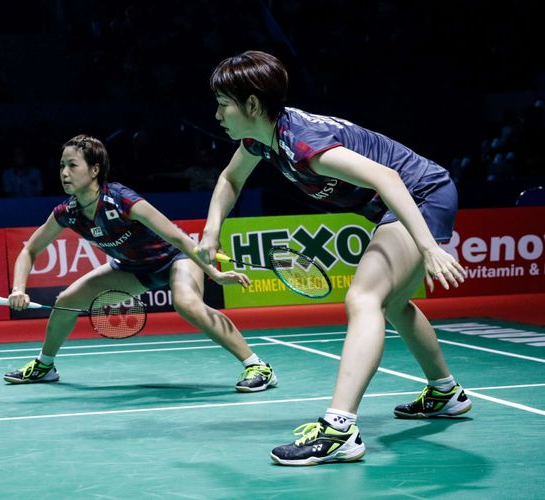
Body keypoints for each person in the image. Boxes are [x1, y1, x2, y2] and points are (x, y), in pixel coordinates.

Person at [196, 51, 469, 466]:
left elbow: (387, 177)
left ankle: (340, 429)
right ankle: (445, 392)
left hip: (421, 196)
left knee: (363, 299)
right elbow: (230, 179)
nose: (216, 115)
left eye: (222, 104)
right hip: (394, 205)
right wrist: (212, 229)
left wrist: (429, 246)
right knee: (390, 303)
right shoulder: (260, 138)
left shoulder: (305, 143)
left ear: (252, 105)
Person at [3, 134, 277, 393]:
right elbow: (30, 250)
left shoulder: (121, 199)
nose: (64, 172)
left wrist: (213, 274)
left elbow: (176, 237)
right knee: (67, 300)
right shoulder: (68, 213)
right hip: (133, 268)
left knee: (187, 303)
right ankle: (44, 366)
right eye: (62, 165)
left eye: (73, 165)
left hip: (174, 259)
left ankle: (258, 366)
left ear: (95, 170)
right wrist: (18, 289)